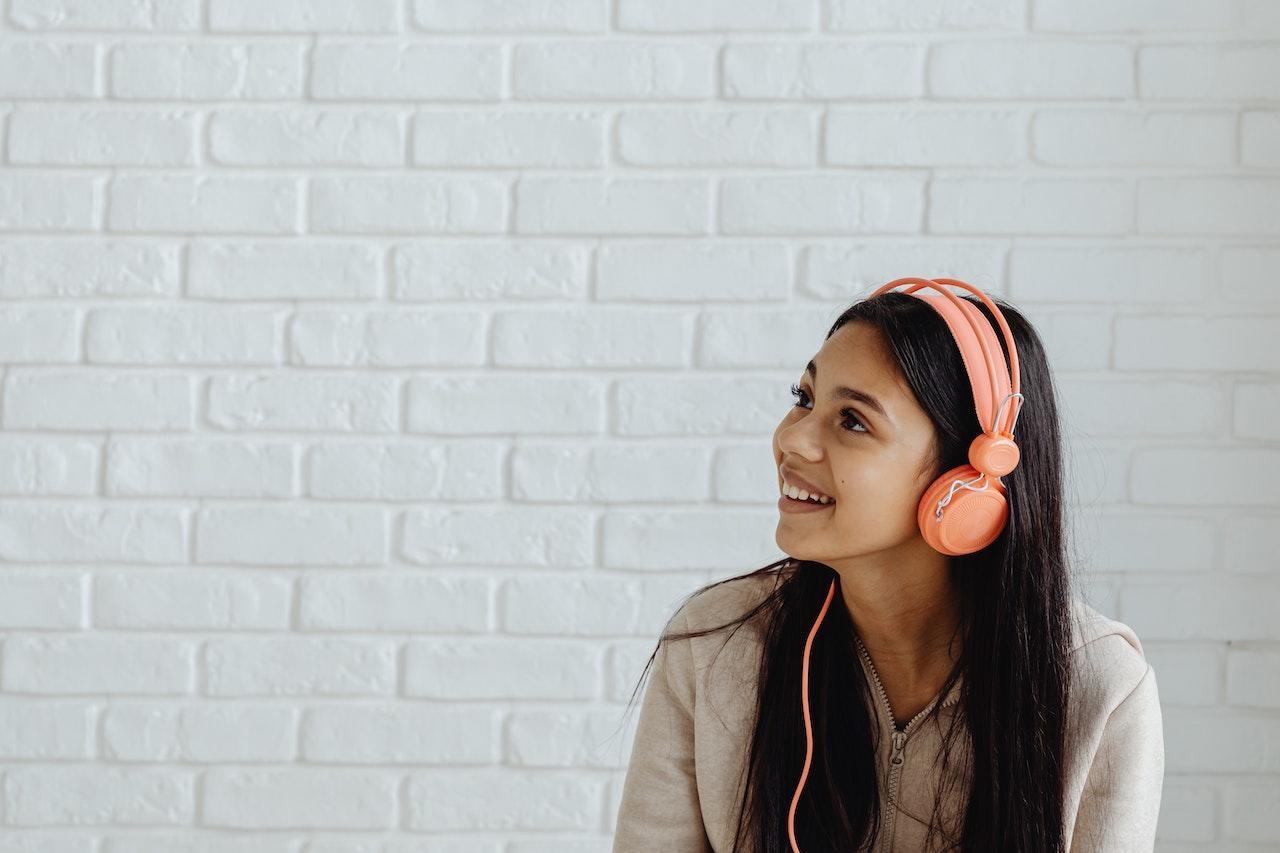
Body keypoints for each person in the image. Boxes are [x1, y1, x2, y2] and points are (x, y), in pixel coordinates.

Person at [611, 283, 1164, 852]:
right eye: (804, 398)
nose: (792, 440)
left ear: (967, 482)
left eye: (852, 421)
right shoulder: (713, 645)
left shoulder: (1098, 688)